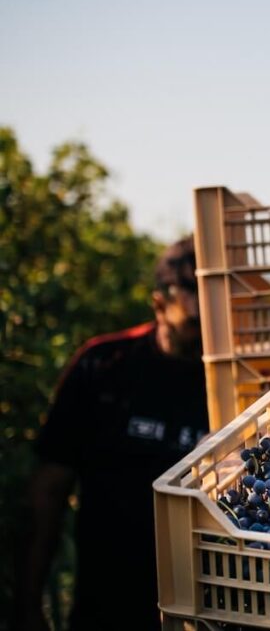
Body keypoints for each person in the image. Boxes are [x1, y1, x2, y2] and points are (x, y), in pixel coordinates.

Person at [19, 235, 209, 631]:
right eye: (193, 325)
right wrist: (28, 600)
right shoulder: (104, 366)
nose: (205, 336)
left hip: (202, 607)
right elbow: (50, 488)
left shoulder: (232, 381)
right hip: (106, 600)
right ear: (159, 303)